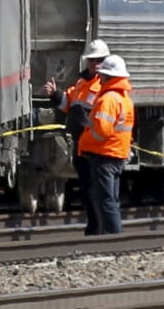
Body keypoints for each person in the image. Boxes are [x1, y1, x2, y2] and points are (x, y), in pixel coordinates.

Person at [41, 39, 108, 234]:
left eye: (99, 60)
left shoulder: (103, 84)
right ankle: (95, 227)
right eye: (92, 60)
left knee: (97, 189)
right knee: (87, 188)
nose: (95, 64)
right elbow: (68, 103)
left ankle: (99, 229)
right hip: (81, 143)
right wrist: (55, 95)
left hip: (95, 145)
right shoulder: (82, 81)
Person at [80, 54, 135, 236]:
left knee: (106, 200)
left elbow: (102, 130)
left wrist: (86, 139)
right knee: (112, 199)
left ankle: (112, 237)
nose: (100, 78)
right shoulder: (124, 99)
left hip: (104, 154)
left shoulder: (108, 99)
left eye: (102, 75)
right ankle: (113, 234)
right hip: (117, 154)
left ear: (107, 77)